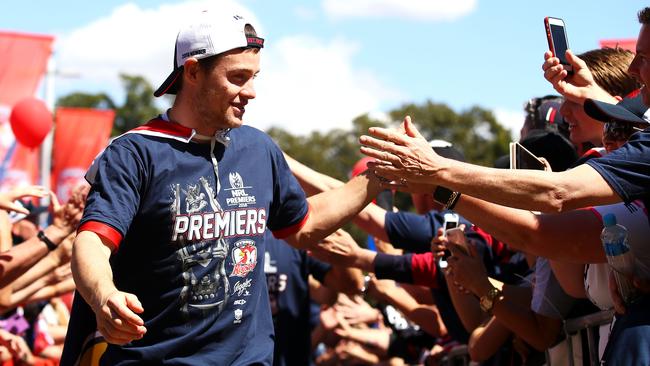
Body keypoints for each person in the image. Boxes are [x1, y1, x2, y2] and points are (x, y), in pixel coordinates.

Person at [63, 8, 382, 365]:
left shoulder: (258, 149)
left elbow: (303, 226)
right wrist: (104, 295)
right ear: (194, 71)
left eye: (254, 77)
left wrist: (378, 177)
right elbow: (92, 241)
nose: (251, 92)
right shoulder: (135, 152)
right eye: (238, 77)